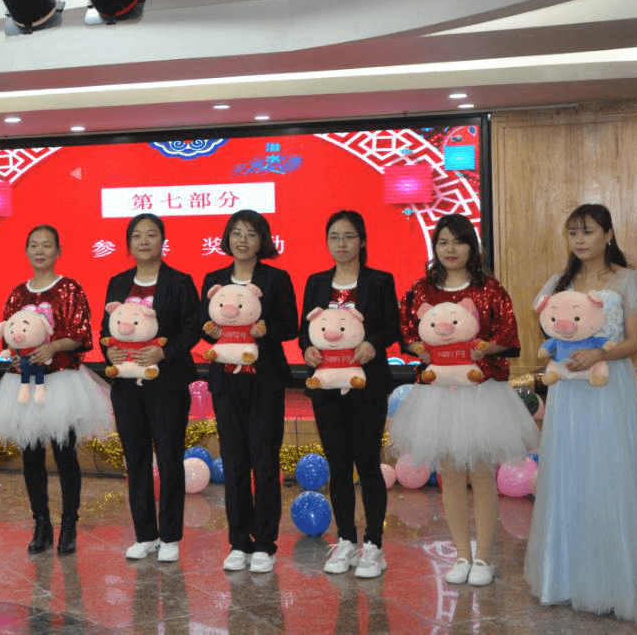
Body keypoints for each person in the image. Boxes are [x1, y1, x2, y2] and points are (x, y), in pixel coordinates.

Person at [524, 204, 637, 623]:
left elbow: (634, 341)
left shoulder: (628, 280)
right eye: (573, 232)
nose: (579, 240)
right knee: (571, 473)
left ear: (608, 234)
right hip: (568, 393)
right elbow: (553, 334)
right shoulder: (559, 283)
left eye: (588, 231)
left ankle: (621, 582)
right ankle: (566, 579)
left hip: (610, 387)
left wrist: (600, 354)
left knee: (612, 472)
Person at [392, 213, 538, 586]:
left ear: (472, 246)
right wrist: (417, 347)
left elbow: (507, 333)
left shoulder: (489, 289)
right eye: (443, 242)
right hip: (438, 394)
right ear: (435, 247)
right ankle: (461, 554)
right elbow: (407, 330)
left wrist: (487, 348)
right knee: (450, 473)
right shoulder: (422, 290)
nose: (450, 249)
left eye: (458, 241)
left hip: (481, 392)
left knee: (482, 473)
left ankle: (484, 557)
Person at [0, 225, 112, 555]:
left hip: (62, 381)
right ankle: (41, 523)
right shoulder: (17, 294)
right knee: (31, 456)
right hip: (24, 382)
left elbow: (81, 334)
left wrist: (53, 347)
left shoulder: (69, 288)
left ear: (58, 251)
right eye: (34, 245)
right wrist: (15, 355)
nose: (39, 251)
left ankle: (69, 524)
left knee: (65, 455)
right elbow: (10, 335)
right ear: (26, 251)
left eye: (46, 245)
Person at [299, 210, 400, 579]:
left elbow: (392, 326)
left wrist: (373, 343)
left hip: (366, 386)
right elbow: (305, 331)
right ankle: (345, 540)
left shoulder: (379, 281)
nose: (341, 244)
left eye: (348, 236)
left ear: (362, 241)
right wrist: (307, 351)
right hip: (326, 388)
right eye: (334, 237)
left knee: (368, 464)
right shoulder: (316, 282)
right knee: (338, 465)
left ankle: (373, 545)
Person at [201, 210, 298, 574]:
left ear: (263, 241)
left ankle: (265, 544)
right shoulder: (213, 279)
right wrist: (210, 330)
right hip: (227, 383)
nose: (242, 240)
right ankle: (239, 542)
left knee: (264, 462)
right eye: (236, 233)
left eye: (251, 234)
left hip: (264, 381)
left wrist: (266, 329)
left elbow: (290, 325)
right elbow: (204, 325)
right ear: (227, 238)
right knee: (235, 462)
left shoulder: (276, 279)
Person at [102, 213, 202, 563]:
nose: (144, 242)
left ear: (163, 241)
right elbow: (106, 329)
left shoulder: (179, 282)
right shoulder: (117, 282)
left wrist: (164, 351)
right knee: (136, 459)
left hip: (167, 383)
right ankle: (145, 534)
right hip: (126, 385)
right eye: (137, 236)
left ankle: (170, 536)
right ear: (129, 243)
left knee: (170, 458)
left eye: (151, 235)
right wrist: (109, 351)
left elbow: (192, 329)